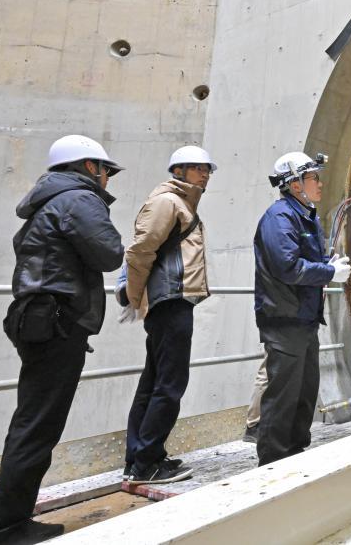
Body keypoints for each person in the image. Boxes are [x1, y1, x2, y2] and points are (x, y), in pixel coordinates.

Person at [0, 136, 124, 545]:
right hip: (58, 322)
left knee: (32, 421)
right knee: (38, 425)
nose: (108, 178)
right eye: (105, 170)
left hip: (39, 320)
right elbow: (110, 253)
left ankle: (9, 520)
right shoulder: (79, 199)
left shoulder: (47, 201)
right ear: (87, 166)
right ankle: (4, 527)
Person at [119, 146, 216, 485]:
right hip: (170, 301)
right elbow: (140, 251)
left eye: (207, 169)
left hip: (171, 301)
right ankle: (146, 462)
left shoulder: (183, 203)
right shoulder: (168, 202)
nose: (205, 174)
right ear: (180, 170)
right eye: (198, 168)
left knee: (154, 382)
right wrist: (135, 297)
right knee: (170, 384)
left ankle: (141, 457)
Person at [253, 152, 350, 465]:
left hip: (303, 319)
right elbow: (288, 267)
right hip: (284, 320)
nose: (319, 184)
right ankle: (271, 463)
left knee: (305, 392)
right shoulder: (279, 218)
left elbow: (303, 260)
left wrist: (326, 264)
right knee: (283, 395)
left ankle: (294, 454)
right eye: (313, 178)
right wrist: (329, 274)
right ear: (295, 184)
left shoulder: (304, 214)